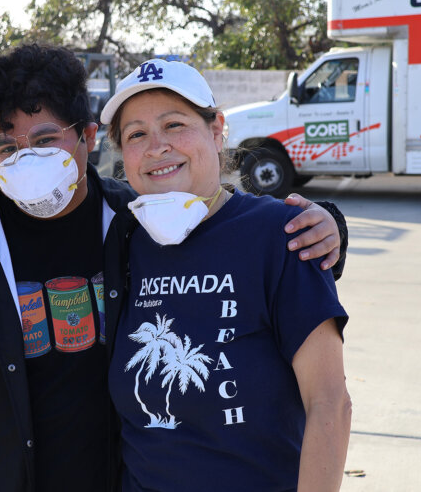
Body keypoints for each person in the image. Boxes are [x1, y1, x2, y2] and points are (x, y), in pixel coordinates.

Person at [0, 44, 348, 492]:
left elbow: (226, 231)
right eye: (5, 147)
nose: (26, 158)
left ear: (88, 137)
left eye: (46, 138)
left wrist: (327, 226)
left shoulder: (129, 222)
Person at [101, 59, 351, 492]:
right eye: (136, 134)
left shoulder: (283, 234)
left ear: (217, 130)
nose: (157, 146)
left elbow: (330, 403)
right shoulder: (121, 240)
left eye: (175, 125)